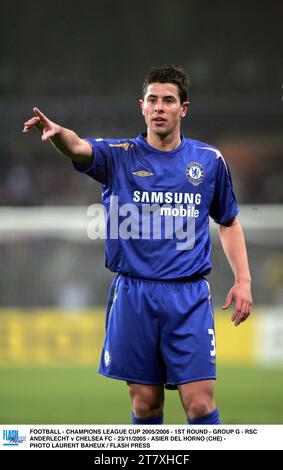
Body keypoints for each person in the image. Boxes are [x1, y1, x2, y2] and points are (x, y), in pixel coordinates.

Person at [23, 64, 252, 425]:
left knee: (200, 404)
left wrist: (244, 281)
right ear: (142, 107)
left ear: (183, 109)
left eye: (168, 100)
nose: (159, 107)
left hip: (188, 295)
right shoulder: (119, 155)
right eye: (153, 100)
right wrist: (56, 134)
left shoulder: (208, 161)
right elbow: (79, 147)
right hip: (134, 294)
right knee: (146, 404)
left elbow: (229, 222)